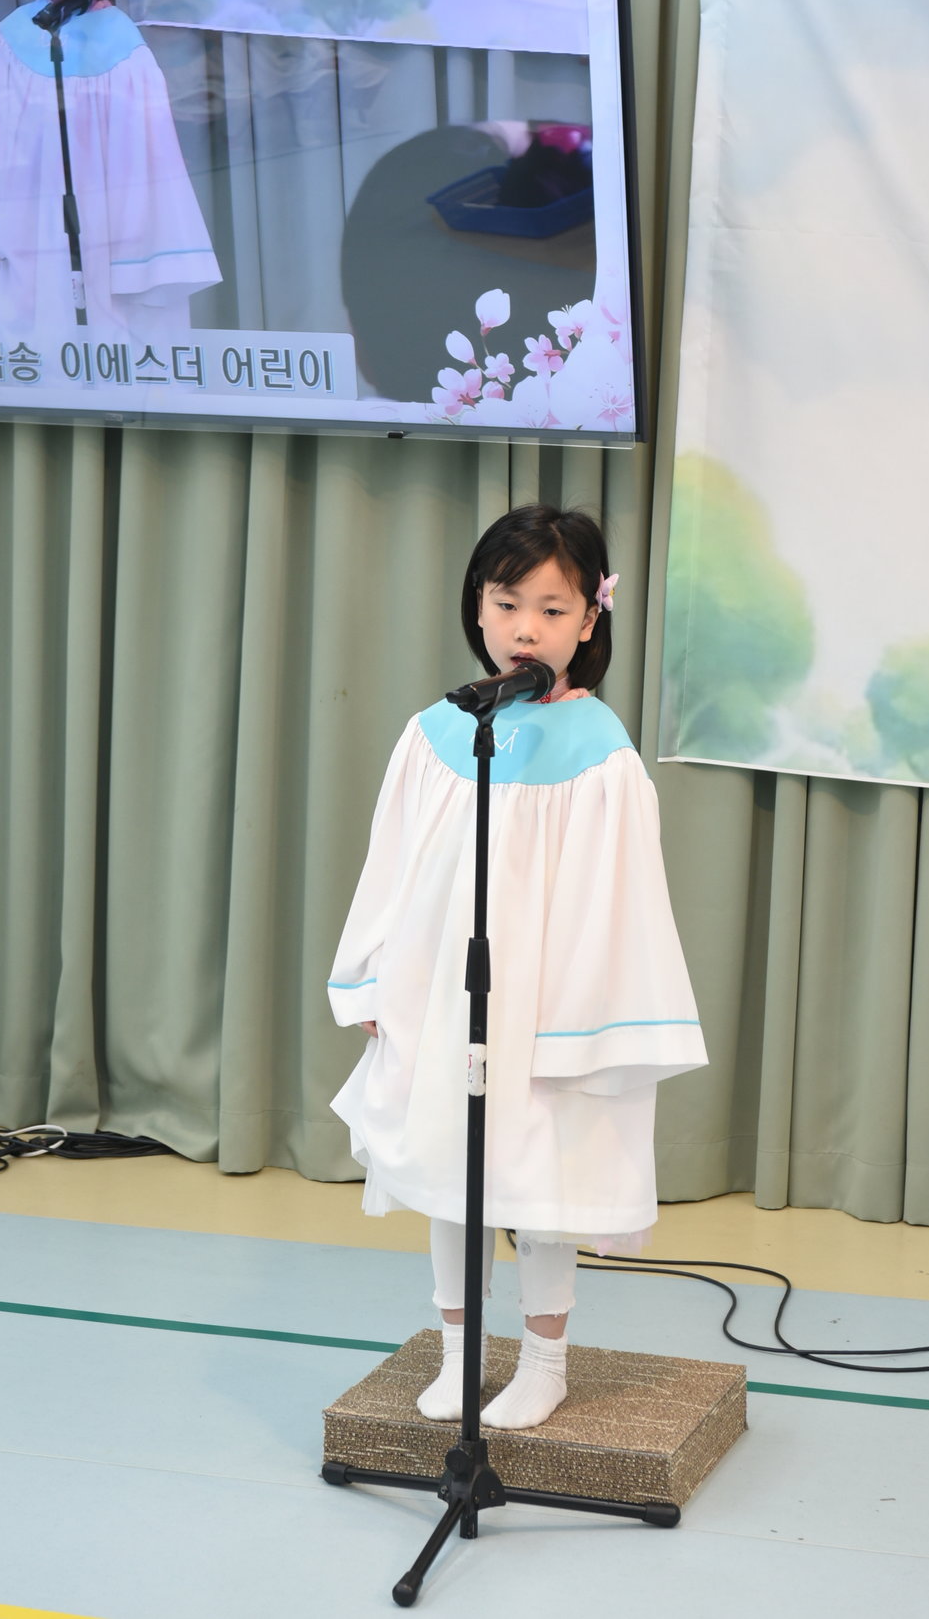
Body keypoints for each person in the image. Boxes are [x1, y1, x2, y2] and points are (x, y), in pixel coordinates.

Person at [327, 504, 707, 1430]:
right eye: (507, 603)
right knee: (448, 1168)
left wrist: (579, 1018)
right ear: (478, 606)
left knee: (542, 1179)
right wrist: (372, 974)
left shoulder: (602, 754)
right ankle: (458, 1352)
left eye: (551, 607)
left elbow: (618, 903)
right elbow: (391, 863)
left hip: (546, 1001)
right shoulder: (438, 733)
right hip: (442, 994)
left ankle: (543, 1362)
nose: (525, 628)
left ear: (590, 618)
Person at [0, 0, 220, 355]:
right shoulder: (11, 38)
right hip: (37, 224)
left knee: (121, 347)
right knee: (46, 347)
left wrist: (143, 240)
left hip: (114, 226)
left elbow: (154, 155)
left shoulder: (123, 43)